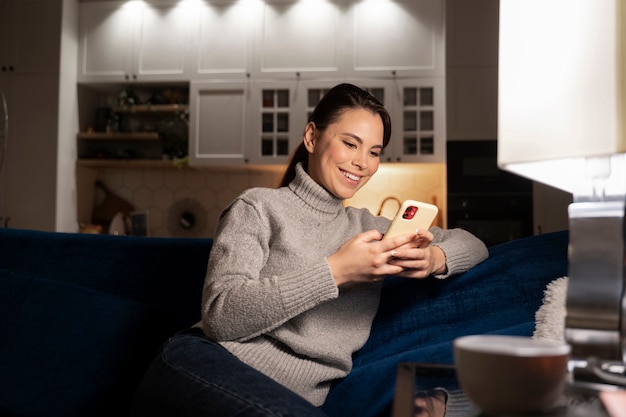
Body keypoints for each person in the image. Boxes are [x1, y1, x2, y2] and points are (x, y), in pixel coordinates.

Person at [132, 83, 488, 417]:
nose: (362, 162)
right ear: (312, 137)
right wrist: (336, 271)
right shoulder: (257, 207)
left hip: (288, 400)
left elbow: (474, 244)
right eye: (350, 143)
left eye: (374, 151)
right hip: (204, 364)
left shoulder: (371, 229)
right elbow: (221, 317)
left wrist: (434, 260)